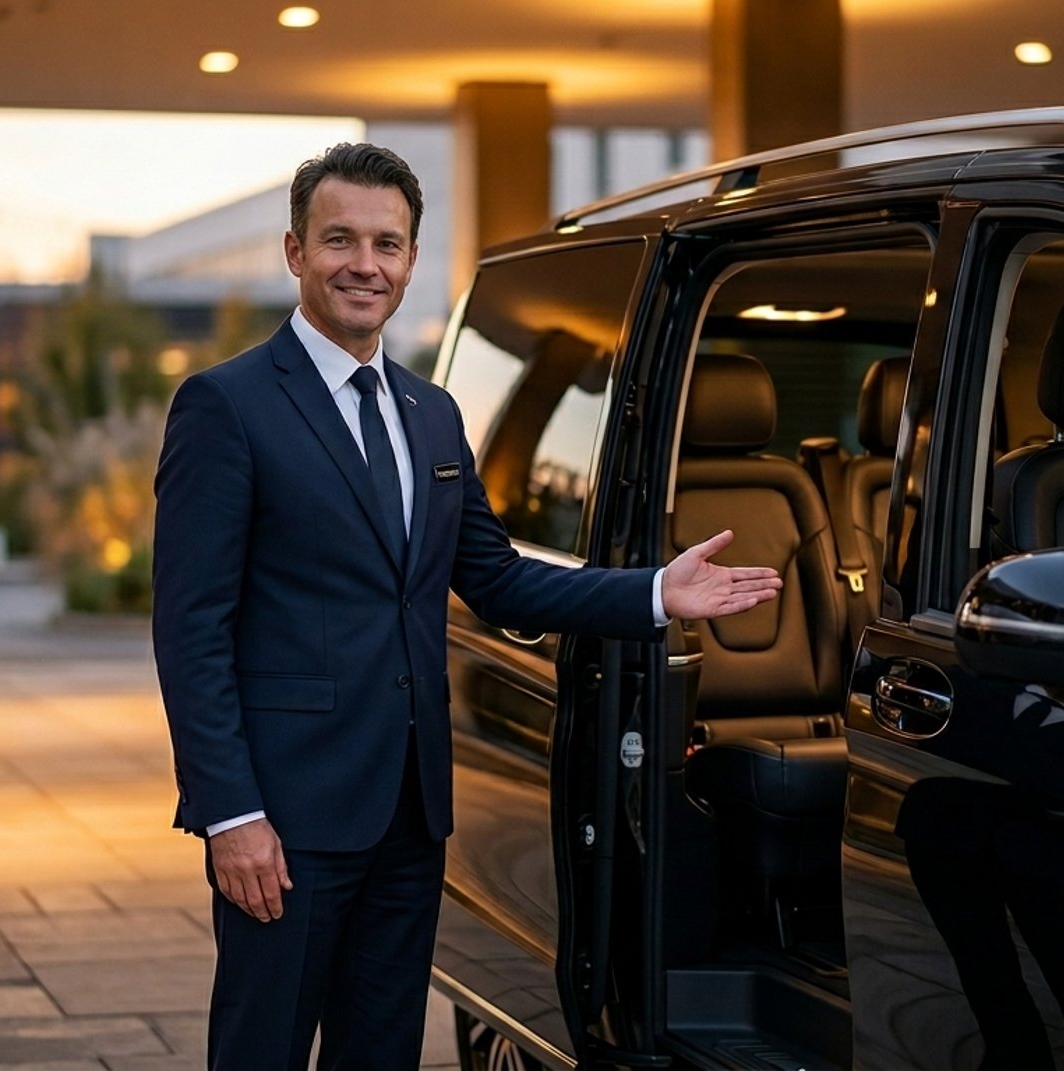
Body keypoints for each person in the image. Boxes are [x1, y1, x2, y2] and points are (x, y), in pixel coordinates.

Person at [152, 142, 781, 1070]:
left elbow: (494, 576)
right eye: (340, 241)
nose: (365, 264)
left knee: (382, 1051)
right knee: (264, 1049)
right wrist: (230, 812)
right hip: (286, 819)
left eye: (388, 244)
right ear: (295, 252)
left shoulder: (430, 413)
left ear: (411, 259)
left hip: (410, 812)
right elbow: (190, 629)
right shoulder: (227, 405)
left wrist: (655, 591)